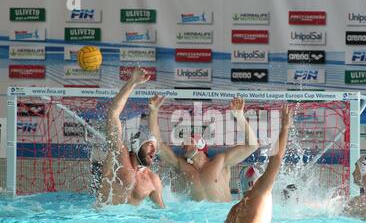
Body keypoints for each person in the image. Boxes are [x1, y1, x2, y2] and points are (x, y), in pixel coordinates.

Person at [148, 95, 259, 202]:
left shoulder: (221, 161)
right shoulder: (181, 165)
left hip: (221, 216)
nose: (183, 146)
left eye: (188, 141)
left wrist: (239, 116)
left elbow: (253, 145)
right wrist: (153, 112)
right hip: (196, 219)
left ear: (200, 144)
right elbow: (157, 143)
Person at [96, 68, 165, 208]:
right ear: (136, 145)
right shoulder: (119, 155)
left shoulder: (152, 179)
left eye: (154, 147)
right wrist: (132, 82)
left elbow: (162, 212)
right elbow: (113, 114)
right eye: (149, 146)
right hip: (102, 220)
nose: (153, 151)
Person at [225, 105, 292, 223]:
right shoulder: (260, 192)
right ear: (257, 181)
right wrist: (285, 127)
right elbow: (276, 159)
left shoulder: (233, 211)